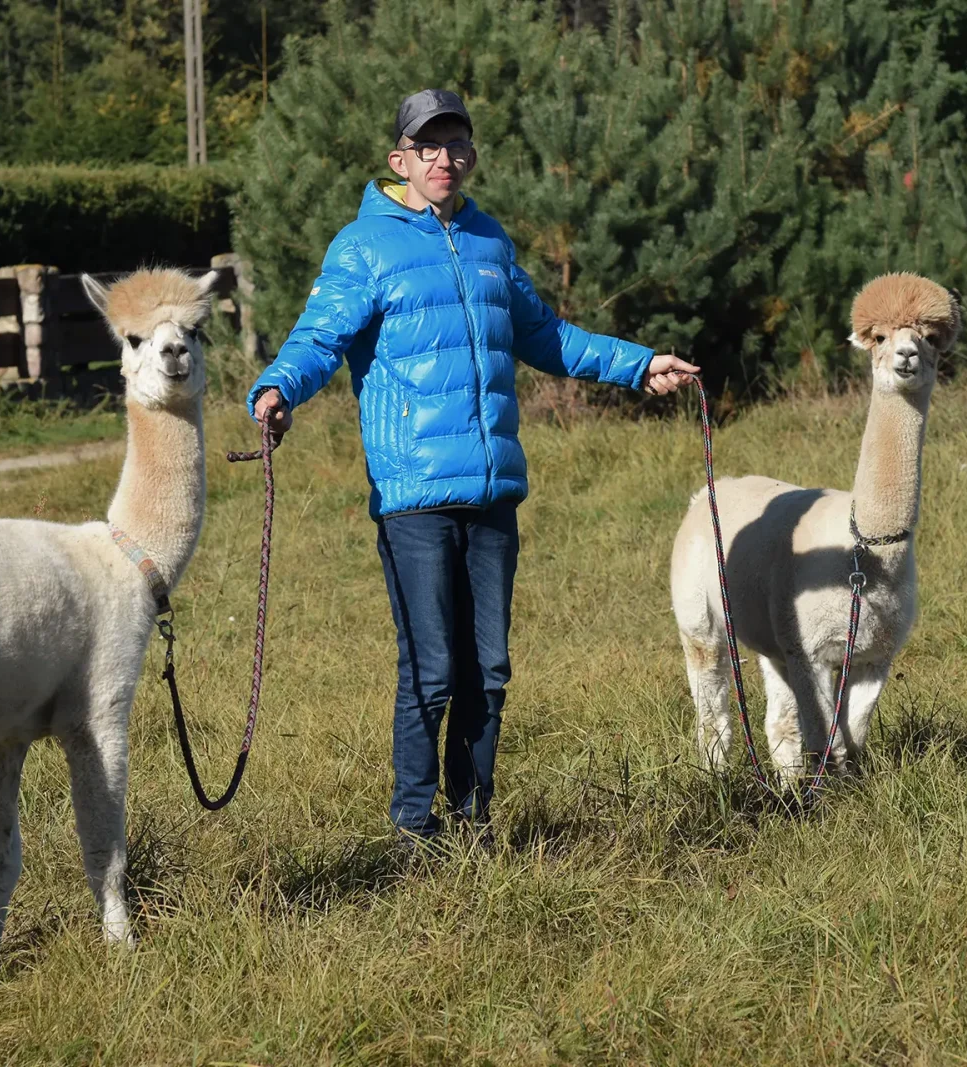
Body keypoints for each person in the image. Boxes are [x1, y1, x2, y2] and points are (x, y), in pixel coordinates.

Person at [249, 88, 699, 842]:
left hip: (491, 493)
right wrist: (277, 390)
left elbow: (546, 336)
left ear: (471, 156)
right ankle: (411, 825)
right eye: (428, 147)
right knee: (431, 671)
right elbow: (319, 336)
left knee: (487, 671)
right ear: (400, 161)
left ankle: (470, 822)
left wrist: (638, 364)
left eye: (456, 144)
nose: (444, 159)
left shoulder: (489, 241)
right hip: (414, 494)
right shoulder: (363, 247)